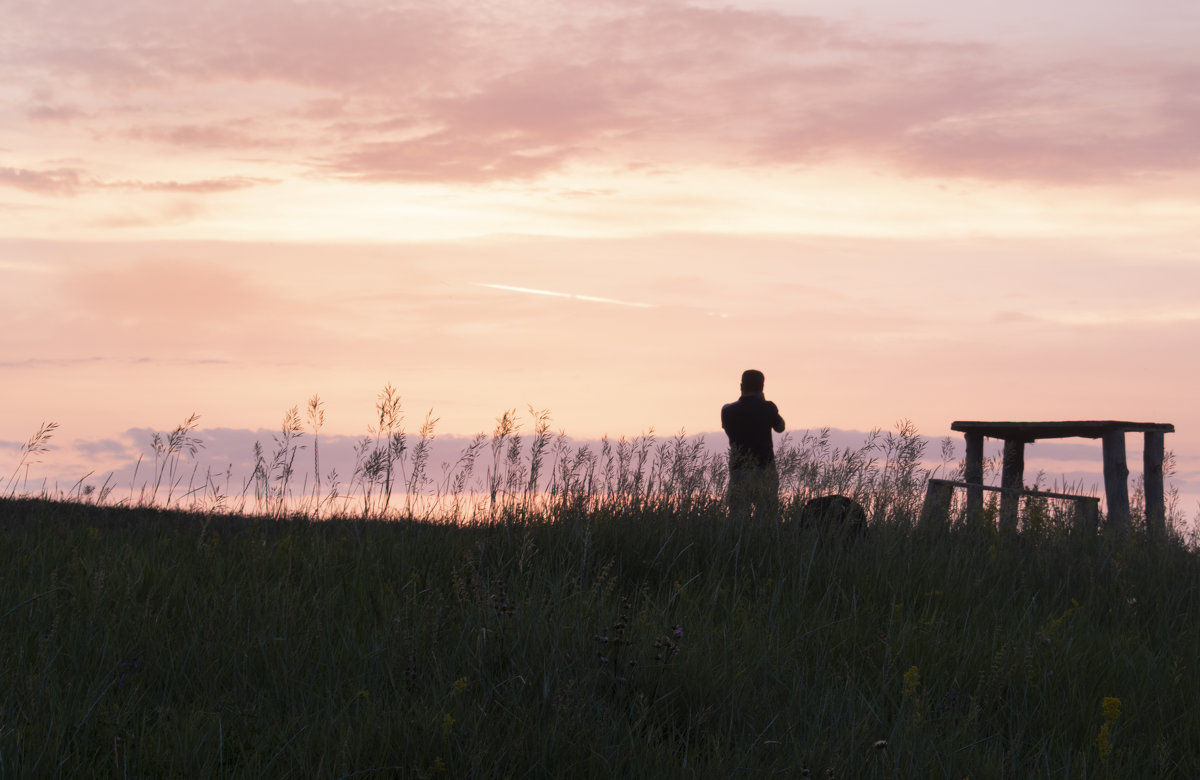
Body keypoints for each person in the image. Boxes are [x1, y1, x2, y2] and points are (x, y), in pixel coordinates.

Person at [721, 369, 785, 519]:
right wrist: (764, 402)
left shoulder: (727, 411)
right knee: (766, 517)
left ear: (741, 386)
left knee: (737, 518)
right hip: (765, 469)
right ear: (762, 386)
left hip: (739, 471)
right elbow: (780, 427)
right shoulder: (768, 407)